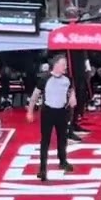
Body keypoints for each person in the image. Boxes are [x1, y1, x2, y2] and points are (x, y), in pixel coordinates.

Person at [26, 54, 75, 182]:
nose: (66, 66)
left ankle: (63, 161)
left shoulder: (67, 79)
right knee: (45, 141)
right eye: (63, 64)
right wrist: (30, 111)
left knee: (62, 138)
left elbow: (71, 89)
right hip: (48, 112)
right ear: (56, 65)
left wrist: (72, 96)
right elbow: (35, 96)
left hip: (62, 112)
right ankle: (42, 169)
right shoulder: (44, 79)